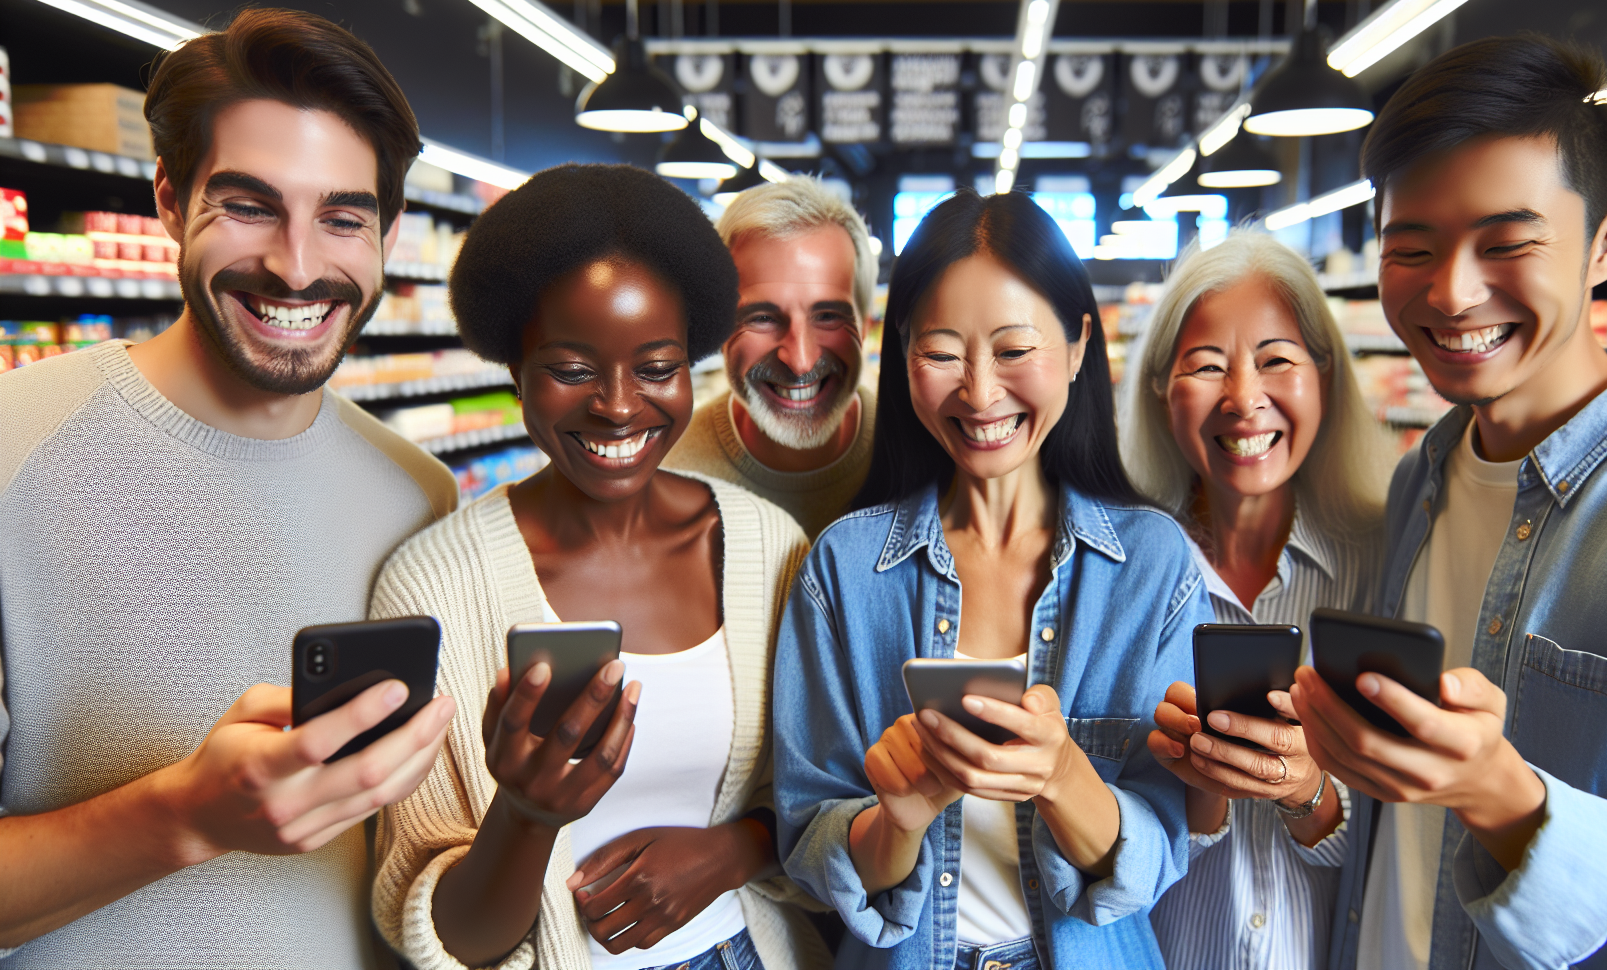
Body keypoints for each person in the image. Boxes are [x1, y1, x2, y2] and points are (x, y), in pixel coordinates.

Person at [1285, 36, 1607, 970]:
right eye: (1412, 249)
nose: (1452, 292)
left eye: (1508, 242)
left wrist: (1504, 795)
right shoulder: (1419, 481)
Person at [0, 9, 459, 967]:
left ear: (388, 231)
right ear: (170, 200)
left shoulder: (423, 498)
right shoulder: (13, 454)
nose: (298, 265)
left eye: (343, 217)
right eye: (248, 205)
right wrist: (187, 817)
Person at [372, 164, 827, 970]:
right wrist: (525, 814)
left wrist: (733, 852)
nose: (618, 406)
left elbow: (821, 801)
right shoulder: (436, 584)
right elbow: (454, 943)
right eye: (572, 369)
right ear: (515, 367)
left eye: (656, 368)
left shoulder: (771, 547)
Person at [773, 190, 1205, 970]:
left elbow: (1162, 853)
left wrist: (1063, 773)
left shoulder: (1153, 566)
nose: (978, 392)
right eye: (941, 352)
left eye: (1013, 350)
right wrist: (895, 822)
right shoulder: (843, 570)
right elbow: (810, 849)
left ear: (1078, 348)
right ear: (902, 355)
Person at [1119, 232, 1393, 970]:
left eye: (1276, 360)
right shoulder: (1118, 574)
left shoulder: (1388, 565)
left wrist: (1310, 793)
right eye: (1207, 366)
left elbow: (1413, 839)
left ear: (1325, 377)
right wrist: (1193, 799)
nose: (1244, 400)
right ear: (1158, 386)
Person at [664, 176, 879, 538]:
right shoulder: (665, 478)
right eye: (762, 318)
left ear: (866, 323)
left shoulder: (925, 459)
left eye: (827, 316)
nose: (800, 361)